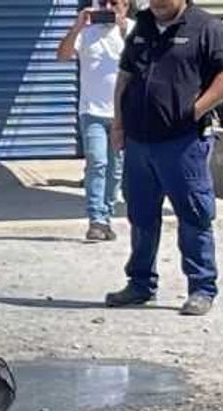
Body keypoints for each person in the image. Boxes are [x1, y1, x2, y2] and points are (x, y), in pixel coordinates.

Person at [107, 0, 223, 316]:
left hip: (182, 142)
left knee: (193, 214)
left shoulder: (206, 28)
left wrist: (195, 111)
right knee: (141, 215)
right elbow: (125, 77)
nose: (156, 2)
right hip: (138, 142)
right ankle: (140, 284)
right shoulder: (142, 25)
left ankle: (201, 288)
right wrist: (118, 125)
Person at [57, 0, 133, 241]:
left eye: (116, 3)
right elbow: (62, 55)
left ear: (127, 6)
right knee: (97, 162)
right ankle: (96, 219)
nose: (110, 7)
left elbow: (146, 61)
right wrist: (77, 25)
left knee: (115, 168)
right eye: (105, 2)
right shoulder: (87, 33)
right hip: (92, 112)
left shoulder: (134, 30)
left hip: (122, 113)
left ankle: (106, 216)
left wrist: (122, 30)